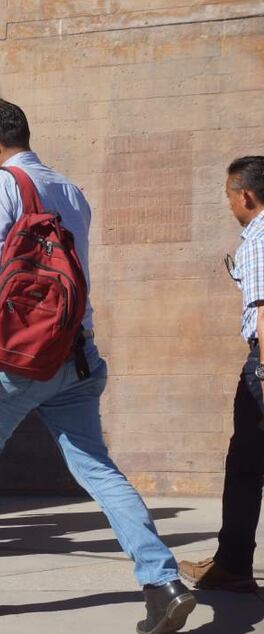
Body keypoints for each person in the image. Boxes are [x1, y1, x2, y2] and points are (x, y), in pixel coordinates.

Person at [0, 99, 196, 634]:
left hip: (19, 358)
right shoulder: (70, 189)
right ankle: (162, 581)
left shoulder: (0, 184)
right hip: (76, 351)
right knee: (98, 468)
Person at [178, 156, 264, 593]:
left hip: (263, 364)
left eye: (229, 195)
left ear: (245, 195)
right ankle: (231, 562)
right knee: (248, 461)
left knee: (246, 465)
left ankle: (232, 565)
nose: (229, 204)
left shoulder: (258, 237)